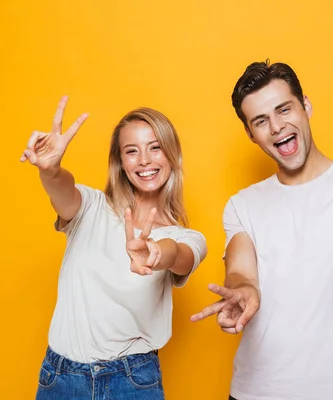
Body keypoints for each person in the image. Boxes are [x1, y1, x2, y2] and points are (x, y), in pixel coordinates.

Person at [191, 61, 333, 400]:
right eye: (261, 121)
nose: (277, 127)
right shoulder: (242, 204)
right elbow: (239, 271)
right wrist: (242, 291)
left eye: (284, 109)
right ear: (251, 134)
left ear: (305, 106)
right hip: (255, 393)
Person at [21, 96, 207, 400]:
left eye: (155, 147)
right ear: (120, 162)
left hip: (132, 381)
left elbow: (181, 257)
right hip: (61, 379)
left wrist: (158, 253)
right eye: (132, 151)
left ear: (172, 154)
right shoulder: (91, 208)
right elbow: (63, 190)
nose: (144, 160)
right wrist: (50, 170)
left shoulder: (186, 236)